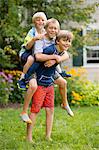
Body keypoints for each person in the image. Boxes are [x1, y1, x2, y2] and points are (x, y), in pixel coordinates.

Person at [20, 18, 74, 124]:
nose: (53, 30)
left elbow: (66, 54)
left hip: (47, 68)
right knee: (33, 86)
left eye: (55, 28)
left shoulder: (56, 40)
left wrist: (55, 61)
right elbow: (38, 57)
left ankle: (64, 104)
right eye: (51, 28)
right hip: (34, 66)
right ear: (46, 28)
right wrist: (54, 57)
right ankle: (24, 112)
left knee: (63, 82)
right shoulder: (41, 39)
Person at [27, 29, 74, 142]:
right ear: (57, 41)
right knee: (35, 111)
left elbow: (65, 56)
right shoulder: (49, 50)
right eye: (65, 41)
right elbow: (36, 62)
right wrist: (27, 76)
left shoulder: (61, 52)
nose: (67, 43)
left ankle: (48, 136)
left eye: (69, 41)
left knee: (50, 110)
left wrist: (55, 60)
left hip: (50, 84)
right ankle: (28, 137)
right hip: (40, 85)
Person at [17, 12, 47, 123]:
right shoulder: (32, 31)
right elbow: (27, 46)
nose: (40, 22)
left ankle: (26, 112)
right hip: (26, 54)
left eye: (43, 20)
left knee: (34, 86)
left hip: (37, 59)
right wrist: (34, 39)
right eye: (38, 20)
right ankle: (22, 77)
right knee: (31, 59)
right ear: (34, 21)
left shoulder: (45, 32)